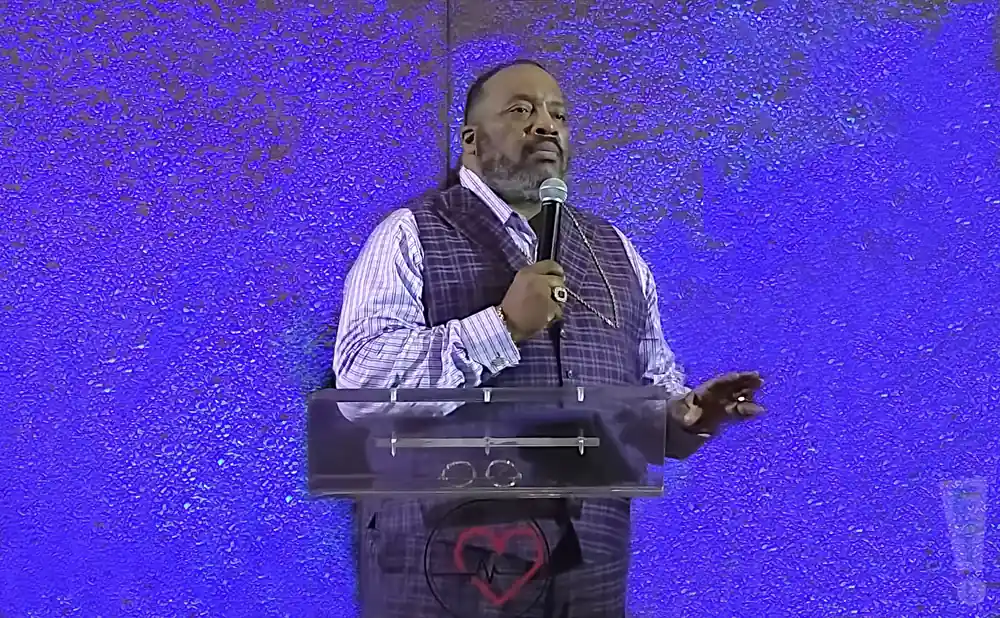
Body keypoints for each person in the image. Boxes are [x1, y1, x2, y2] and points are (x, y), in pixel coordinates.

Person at [333, 59, 764, 618]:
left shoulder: (619, 254)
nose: (546, 125)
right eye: (521, 111)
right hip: (445, 569)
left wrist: (683, 415)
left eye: (558, 115)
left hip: (590, 572)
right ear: (470, 140)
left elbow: (651, 383)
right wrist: (503, 327)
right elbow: (362, 385)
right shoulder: (409, 234)